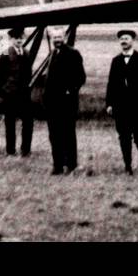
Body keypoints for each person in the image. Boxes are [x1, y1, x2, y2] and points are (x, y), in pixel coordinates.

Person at [105, 29, 138, 174]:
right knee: (124, 137)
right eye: (121, 39)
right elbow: (111, 84)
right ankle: (127, 166)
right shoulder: (116, 61)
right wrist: (109, 104)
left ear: (132, 40)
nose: (123, 41)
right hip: (121, 107)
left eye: (126, 38)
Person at [43, 27, 85, 175]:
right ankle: (58, 165)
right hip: (53, 104)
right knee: (54, 135)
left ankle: (71, 164)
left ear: (65, 38)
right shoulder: (53, 53)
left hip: (67, 103)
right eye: (54, 38)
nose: (57, 40)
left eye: (59, 37)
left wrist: (70, 91)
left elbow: (81, 77)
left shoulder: (73, 53)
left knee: (68, 135)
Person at [0, 27, 33, 157]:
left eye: (21, 37)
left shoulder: (26, 53)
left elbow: (29, 73)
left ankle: (25, 150)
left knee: (28, 122)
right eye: (16, 38)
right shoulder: (5, 54)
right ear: (11, 39)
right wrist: (0, 94)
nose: (19, 40)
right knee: (10, 124)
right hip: (10, 95)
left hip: (24, 95)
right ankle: (10, 151)